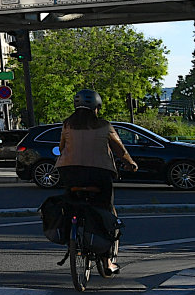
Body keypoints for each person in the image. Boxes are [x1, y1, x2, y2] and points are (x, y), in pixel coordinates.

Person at [57, 88, 139, 276]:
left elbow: (61, 147)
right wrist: (131, 163)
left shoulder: (68, 124)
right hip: (99, 174)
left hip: (70, 173)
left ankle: (73, 238)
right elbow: (120, 149)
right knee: (106, 211)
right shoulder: (104, 125)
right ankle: (107, 261)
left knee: (70, 204)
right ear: (96, 107)